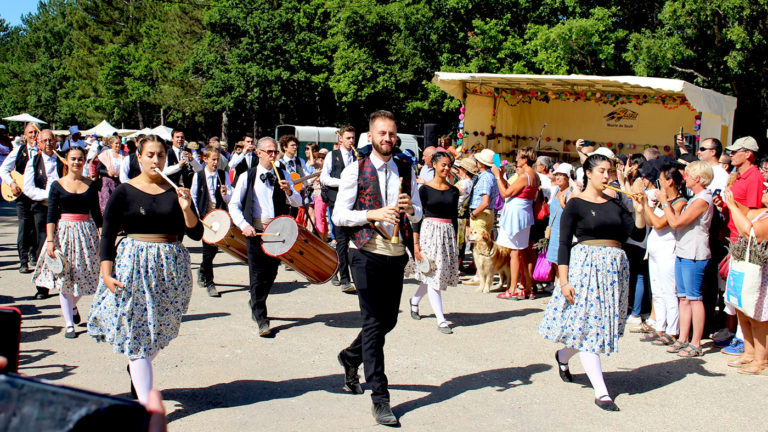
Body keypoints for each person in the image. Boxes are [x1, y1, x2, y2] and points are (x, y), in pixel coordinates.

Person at [87, 135, 203, 404]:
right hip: (134, 265)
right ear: (138, 158)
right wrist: (106, 272)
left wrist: (187, 209)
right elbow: (107, 235)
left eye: (160, 155)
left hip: (171, 268)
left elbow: (196, 233)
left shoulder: (177, 190)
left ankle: (138, 368)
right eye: (150, 155)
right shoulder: (124, 191)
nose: (156, 160)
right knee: (138, 336)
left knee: (160, 332)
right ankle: (146, 406)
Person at [333, 110, 421, 426]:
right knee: (373, 322)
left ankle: (350, 356)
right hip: (365, 251)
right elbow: (339, 216)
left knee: (388, 322)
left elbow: (417, 213)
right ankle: (380, 398)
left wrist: (411, 211)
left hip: (395, 253)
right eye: (382, 134)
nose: (387, 139)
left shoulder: (406, 168)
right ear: (370, 137)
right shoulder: (355, 170)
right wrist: (371, 214)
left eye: (392, 134)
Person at [539, 153, 646, 412]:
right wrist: (563, 281)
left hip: (613, 271)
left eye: (609, 171)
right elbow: (564, 244)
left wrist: (641, 211)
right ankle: (602, 392)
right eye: (601, 171)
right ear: (587, 173)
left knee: (592, 327)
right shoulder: (576, 204)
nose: (606, 176)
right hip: (585, 268)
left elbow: (637, 233)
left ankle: (563, 356)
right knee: (590, 328)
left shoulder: (618, 203)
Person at [228, 137, 302, 337]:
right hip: (255, 231)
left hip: (277, 231)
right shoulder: (247, 176)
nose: (273, 155)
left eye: (275, 152)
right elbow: (234, 204)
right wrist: (243, 225)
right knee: (257, 275)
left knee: (271, 274)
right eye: (269, 152)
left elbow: (298, 202)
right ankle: (262, 317)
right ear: (258, 153)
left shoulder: (283, 173)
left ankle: (255, 301)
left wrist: (289, 192)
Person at [32, 145, 102, 338]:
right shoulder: (57, 185)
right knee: (64, 279)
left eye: (80, 159)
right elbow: (51, 215)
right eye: (73, 159)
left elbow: (97, 214)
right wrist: (50, 241)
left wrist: (102, 236)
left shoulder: (90, 184)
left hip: (86, 233)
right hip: (64, 233)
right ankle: (69, 324)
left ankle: (71, 307)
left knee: (87, 275)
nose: (77, 162)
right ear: (66, 160)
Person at [714, 137, 766, 356]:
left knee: (747, 297)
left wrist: (733, 206)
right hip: (734, 239)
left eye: (736, 152)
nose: (731, 155)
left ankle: (749, 347)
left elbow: (754, 215)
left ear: (749, 154)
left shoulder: (753, 176)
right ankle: (744, 344)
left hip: (746, 242)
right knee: (734, 296)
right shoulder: (737, 176)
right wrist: (724, 206)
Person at [657, 161, 713, 359]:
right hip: (683, 251)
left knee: (694, 298)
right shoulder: (695, 198)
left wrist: (664, 202)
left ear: (698, 178)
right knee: (683, 297)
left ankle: (696, 342)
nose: (685, 178)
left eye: (688, 175)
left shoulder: (702, 199)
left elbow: (676, 222)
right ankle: (683, 337)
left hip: (695, 253)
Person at [410, 151, 459, 334]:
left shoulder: (453, 191)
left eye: (449, 165)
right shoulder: (425, 190)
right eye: (443, 165)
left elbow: (454, 217)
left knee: (433, 275)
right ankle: (441, 319)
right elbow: (417, 218)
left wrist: (455, 241)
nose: (446, 168)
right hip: (429, 233)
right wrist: (416, 245)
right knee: (433, 275)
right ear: (435, 165)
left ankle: (415, 301)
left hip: (446, 235)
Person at [640, 162, 687, 346]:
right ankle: (660, 326)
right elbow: (650, 221)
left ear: (670, 182)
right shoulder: (663, 201)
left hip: (669, 251)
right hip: (655, 251)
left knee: (669, 292)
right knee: (657, 291)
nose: (658, 183)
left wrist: (649, 205)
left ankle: (672, 330)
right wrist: (645, 204)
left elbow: (659, 223)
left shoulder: (679, 202)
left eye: (661, 180)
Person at [723, 187, 768, 374]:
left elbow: (752, 233)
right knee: (743, 310)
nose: (765, 190)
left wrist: (732, 206)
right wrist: (729, 200)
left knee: (758, 316)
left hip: (761, 272)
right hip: (747, 268)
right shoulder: (763, 212)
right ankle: (749, 352)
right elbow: (745, 212)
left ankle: (761, 360)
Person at [24, 129, 66, 300]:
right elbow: (28, 189)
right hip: (43, 207)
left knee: (64, 243)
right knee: (44, 246)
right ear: (39, 143)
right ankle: (42, 286)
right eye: (45, 141)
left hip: (62, 208)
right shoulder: (33, 162)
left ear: (55, 141)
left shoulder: (63, 160)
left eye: (51, 140)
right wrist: (49, 195)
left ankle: (64, 282)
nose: (48, 143)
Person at [494, 147, 539, 300]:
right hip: (524, 213)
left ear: (525, 159)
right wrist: (502, 177)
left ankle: (513, 288)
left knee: (515, 252)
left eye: (519, 157)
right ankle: (527, 286)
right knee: (522, 252)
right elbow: (512, 190)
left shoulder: (525, 175)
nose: (517, 160)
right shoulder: (534, 175)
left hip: (517, 215)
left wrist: (497, 178)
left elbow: (505, 193)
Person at [190, 147, 232, 298]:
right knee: (207, 248)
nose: (216, 162)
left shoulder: (223, 174)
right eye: (213, 159)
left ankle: (202, 269)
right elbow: (194, 196)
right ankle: (210, 282)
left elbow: (229, 198)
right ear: (205, 159)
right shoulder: (199, 176)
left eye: (217, 159)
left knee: (214, 248)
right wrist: (197, 215)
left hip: (219, 214)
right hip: (205, 215)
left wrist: (226, 194)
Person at [320, 125, 357, 293]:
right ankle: (344, 279)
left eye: (353, 138)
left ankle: (345, 272)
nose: (351, 141)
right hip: (337, 203)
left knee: (355, 241)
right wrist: (343, 183)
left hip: (354, 204)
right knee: (341, 241)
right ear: (340, 139)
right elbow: (324, 178)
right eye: (348, 138)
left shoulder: (357, 157)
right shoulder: (331, 155)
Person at [0, 123, 39, 274]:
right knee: (24, 225)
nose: (33, 136)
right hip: (21, 194)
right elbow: (3, 169)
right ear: (25, 135)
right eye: (30, 132)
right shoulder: (18, 151)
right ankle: (23, 261)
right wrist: (11, 183)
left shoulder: (43, 152)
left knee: (36, 225)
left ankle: (33, 254)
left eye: (35, 133)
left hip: (36, 194)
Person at [544, 163, 575, 278]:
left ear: (568, 177)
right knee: (554, 261)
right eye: (557, 174)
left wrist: (563, 204)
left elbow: (572, 213)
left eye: (561, 175)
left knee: (561, 261)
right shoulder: (557, 189)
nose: (558, 177)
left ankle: (560, 285)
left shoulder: (571, 192)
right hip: (553, 230)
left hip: (562, 232)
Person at [454, 158, 476, 269]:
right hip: (462, 215)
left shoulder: (463, 183)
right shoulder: (470, 182)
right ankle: (459, 263)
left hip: (458, 214)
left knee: (458, 241)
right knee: (460, 240)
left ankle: (457, 264)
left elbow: (454, 193)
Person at [96, 135, 125, 214]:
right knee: (107, 205)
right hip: (107, 182)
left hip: (120, 182)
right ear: (111, 144)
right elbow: (98, 169)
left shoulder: (125, 155)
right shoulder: (105, 154)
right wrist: (107, 172)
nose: (118, 145)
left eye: (119, 143)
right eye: (116, 143)